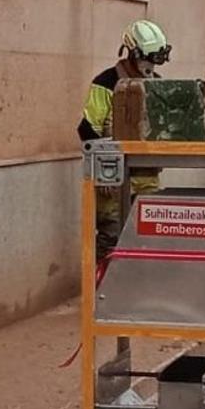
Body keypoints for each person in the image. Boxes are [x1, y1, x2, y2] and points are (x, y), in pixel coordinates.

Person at [78, 20, 172, 260]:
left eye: (156, 59)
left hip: (146, 175)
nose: (152, 65)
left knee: (148, 238)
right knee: (112, 236)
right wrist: (104, 168)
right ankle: (98, 291)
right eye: (149, 58)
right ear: (133, 54)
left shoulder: (156, 85)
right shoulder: (106, 82)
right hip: (114, 177)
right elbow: (88, 129)